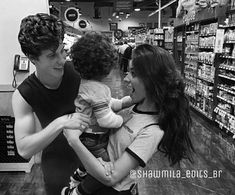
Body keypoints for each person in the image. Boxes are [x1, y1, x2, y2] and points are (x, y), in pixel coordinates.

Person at [63, 44, 195, 195]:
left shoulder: (152, 130)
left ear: (152, 79)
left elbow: (111, 178)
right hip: (94, 179)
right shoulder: (131, 108)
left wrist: (74, 141)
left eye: (133, 73)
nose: (126, 79)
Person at [12, 13, 90, 195]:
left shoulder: (79, 71)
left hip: (94, 158)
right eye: (52, 55)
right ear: (32, 59)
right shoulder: (24, 94)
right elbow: (24, 149)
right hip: (58, 165)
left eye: (62, 51)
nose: (62, 60)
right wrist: (61, 122)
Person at [62, 31, 133, 195]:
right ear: (107, 66)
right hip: (94, 138)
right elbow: (106, 120)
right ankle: (77, 192)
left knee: (90, 162)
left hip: (85, 135)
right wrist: (122, 119)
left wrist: (123, 103)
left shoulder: (87, 84)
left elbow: (105, 104)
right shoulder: (98, 89)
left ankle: (78, 175)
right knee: (106, 169)